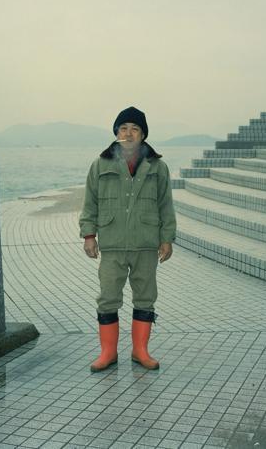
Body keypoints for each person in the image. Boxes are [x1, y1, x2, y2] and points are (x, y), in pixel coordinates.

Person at [79, 106, 176, 372]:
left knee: (145, 297)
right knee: (108, 297)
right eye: (123, 128)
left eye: (135, 129)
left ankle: (140, 351)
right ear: (116, 132)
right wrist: (89, 235)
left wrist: (167, 239)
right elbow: (90, 203)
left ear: (143, 134)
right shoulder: (100, 164)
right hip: (112, 244)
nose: (128, 133)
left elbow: (166, 205)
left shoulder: (158, 167)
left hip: (146, 243)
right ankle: (108, 352)